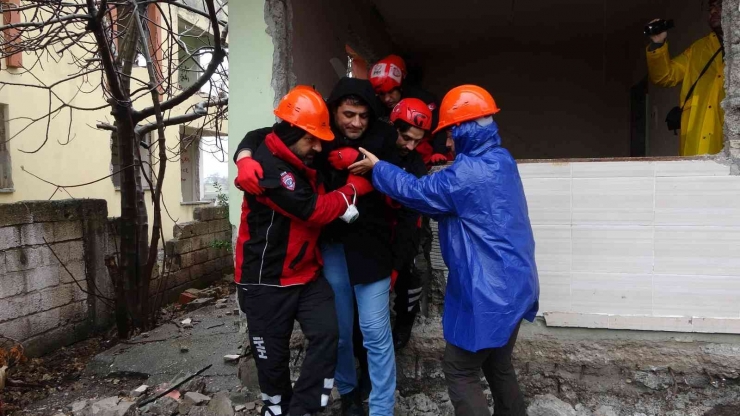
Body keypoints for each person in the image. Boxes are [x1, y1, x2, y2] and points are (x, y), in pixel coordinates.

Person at [349, 85, 540, 416]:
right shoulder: (501, 160)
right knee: (498, 365)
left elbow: (417, 191)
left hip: (486, 292)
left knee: (460, 369)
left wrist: (379, 167)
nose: (447, 142)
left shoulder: (466, 174)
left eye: (451, 132)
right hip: (517, 285)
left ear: (466, 128)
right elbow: (454, 206)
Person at [233, 77, 400, 416]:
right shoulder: (285, 158)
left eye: (364, 116)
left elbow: (408, 179)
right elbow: (313, 209)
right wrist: (244, 156)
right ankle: (322, 399)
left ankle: (356, 408)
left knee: (357, 333)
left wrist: (377, 167)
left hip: (348, 259)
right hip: (297, 264)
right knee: (304, 349)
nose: (356, 122)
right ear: (333, 112)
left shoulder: (381, 138)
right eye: (349, 114)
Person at [646, 0, 724, 156]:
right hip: (696, 145)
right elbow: (665, 76)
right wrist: (657, 43)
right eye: (711, 8)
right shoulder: (698, 49)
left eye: (720, 5)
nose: (713, 11)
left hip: (727, 143)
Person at [369, 54, 452, 167]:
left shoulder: (424, 100)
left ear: (401, 86)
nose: (387, 99)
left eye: (391, 92)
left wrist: (439, 151)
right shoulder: (377, 105)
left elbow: (438, 128)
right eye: (382, 94)